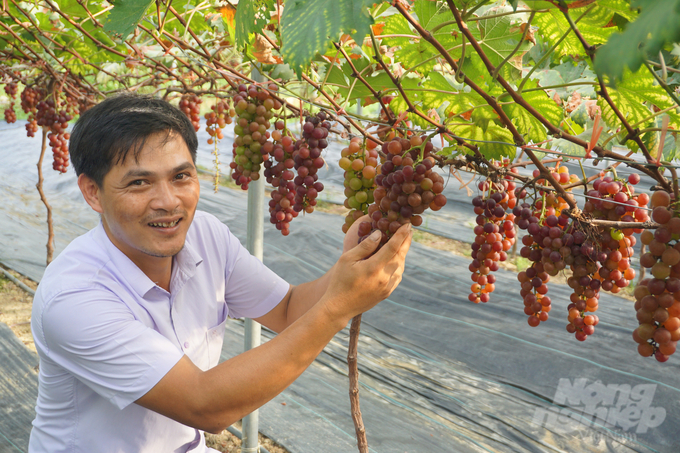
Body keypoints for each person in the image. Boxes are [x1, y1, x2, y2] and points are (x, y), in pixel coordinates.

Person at [28, 94, 412, 452]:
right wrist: (338, 306)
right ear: (93, 192)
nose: (168, 202)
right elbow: (205, 405)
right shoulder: (74, 298)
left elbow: (290, 309)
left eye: (181, 177)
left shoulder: (205, 235)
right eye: (139, 183)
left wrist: (347, 269)